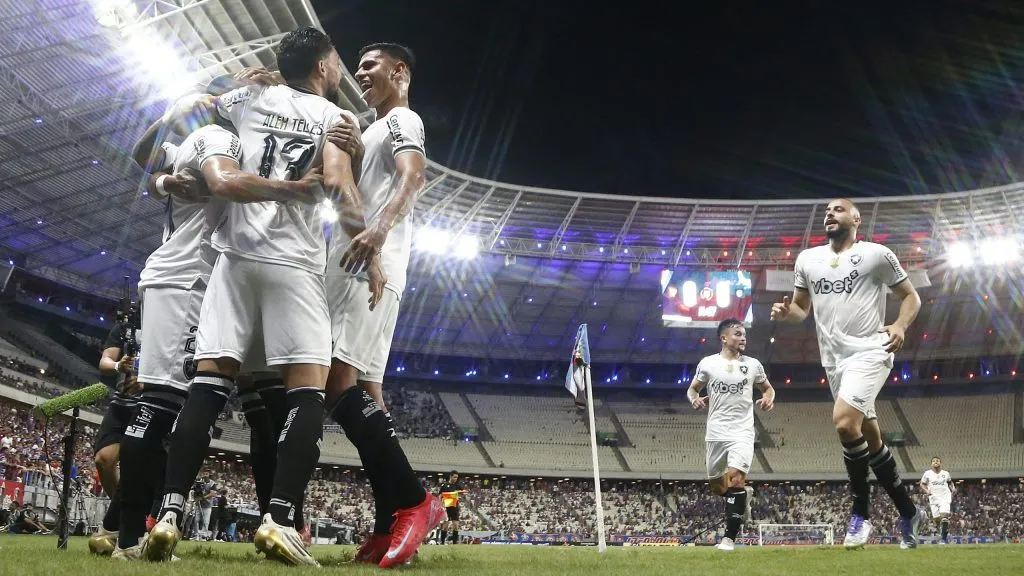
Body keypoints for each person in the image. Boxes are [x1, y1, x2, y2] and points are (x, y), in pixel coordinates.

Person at [145, 26, 379, 567]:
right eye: (339, 60)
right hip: (292, 264)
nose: (342, 70)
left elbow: (200, 101)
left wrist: (246, 80)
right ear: (323, 67)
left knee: (211, 379)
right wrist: (364, 247)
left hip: (232, 257)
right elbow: (340, 187)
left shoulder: (249, 98)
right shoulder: (334, 119)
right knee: (307, 390)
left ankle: (171, 513)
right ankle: (279, 519)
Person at [112, 78, 323, 559]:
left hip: (226, 279)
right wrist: (173, 113)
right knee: (165, 400)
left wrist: (163, 177)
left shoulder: (235, 141)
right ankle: (130, 534)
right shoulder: (215, 139)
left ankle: (281, 518)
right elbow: (206, 177)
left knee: (263, 406)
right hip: (191, 278)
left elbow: (148, 165)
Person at [321, 42, 443, 568]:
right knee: (368, 390)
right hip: (371, 266)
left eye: (369, 65)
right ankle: (387, 520)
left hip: (368, 265)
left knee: (333, 383)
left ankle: (415, 501)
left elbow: (413, 176)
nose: (360, 73)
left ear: (400, 71)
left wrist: (377, 229)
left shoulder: (403, 120)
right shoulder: (374, 128)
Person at [771, 198, 923, 549]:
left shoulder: (876, 254)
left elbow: (911, 297)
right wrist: (785, 312)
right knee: (868, 436)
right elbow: (800, 310)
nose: (829, 213)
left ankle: (861, 515)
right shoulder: (808, 259)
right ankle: (909, 511)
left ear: (856, 219)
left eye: (838, 209)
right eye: (827, 210)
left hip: (871, 351)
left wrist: (900, 325)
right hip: (834, 360)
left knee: (843, 421)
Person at [687, 318, 775, 551]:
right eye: (737, 333)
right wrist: (694, 399)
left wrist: (768, 398)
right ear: (724, 338)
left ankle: (728, 539)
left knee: (735, 476)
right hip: (716, 431)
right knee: (718, 486)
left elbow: (768, 388)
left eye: (744, 333)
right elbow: (692, 388)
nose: (743, 337)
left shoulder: (753, 365)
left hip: (743, 430)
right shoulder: (708, 364)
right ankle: (742, 496)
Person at [89, 320, 142, 554]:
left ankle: (125, 523)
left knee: (137, 467)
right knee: (104, 459)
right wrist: (119, 365)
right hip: (121, 404)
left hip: (150, 403)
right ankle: (123, 516)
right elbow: (105, 361)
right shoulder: (125, 327)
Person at [920, 456, 954, 544]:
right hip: (933, 498)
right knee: (937, 520)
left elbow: (950, 482)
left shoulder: (945, 473)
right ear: (931, 464)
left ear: (940, 463)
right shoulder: (927, 473)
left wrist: (953, 488)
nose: (936, 462)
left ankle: (943, 539)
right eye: (934, 461)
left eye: (938, 461)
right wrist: (926, 491)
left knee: (944, 517)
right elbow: (922, 484)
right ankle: (944, 532)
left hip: (945, 497)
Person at [438, 471, 467, 545]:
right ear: (450, 476)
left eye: (457, 477)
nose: (456, 478)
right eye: (454, 477)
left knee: (456, 525)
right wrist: (440, 504)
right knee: (445, 526)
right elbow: (440, 495)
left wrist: (460, 492)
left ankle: (454, 544)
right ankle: (442, 542)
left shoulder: (457, 486)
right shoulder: (444, 485)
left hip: (454, 507)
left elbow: (464, 491)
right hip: (446, 507)